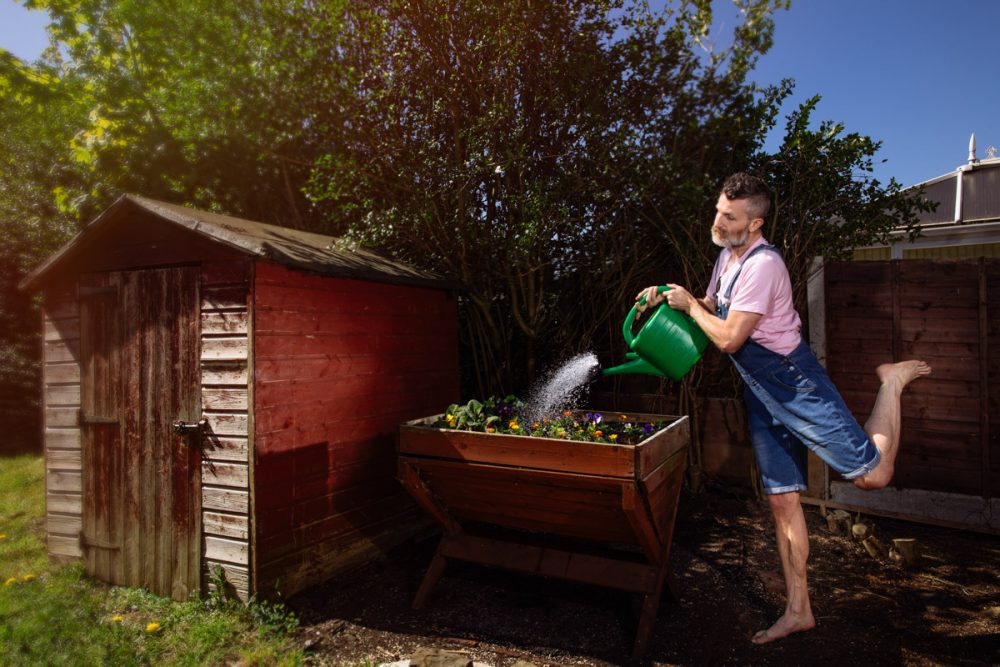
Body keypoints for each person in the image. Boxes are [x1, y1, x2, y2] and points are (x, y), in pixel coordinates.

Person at [635, 172, 931, 645]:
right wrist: (672, 299)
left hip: (794, 382)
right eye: (717, 210)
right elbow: (714, 304)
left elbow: (730, 338)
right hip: (761, 388)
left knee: (872, 476)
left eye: (728, 216)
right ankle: (799, 610)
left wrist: (692, 309)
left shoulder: (764, 264)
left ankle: (891, 382)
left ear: (753, 223)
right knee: (781, 500)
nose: (717, 220)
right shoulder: (727, 256)